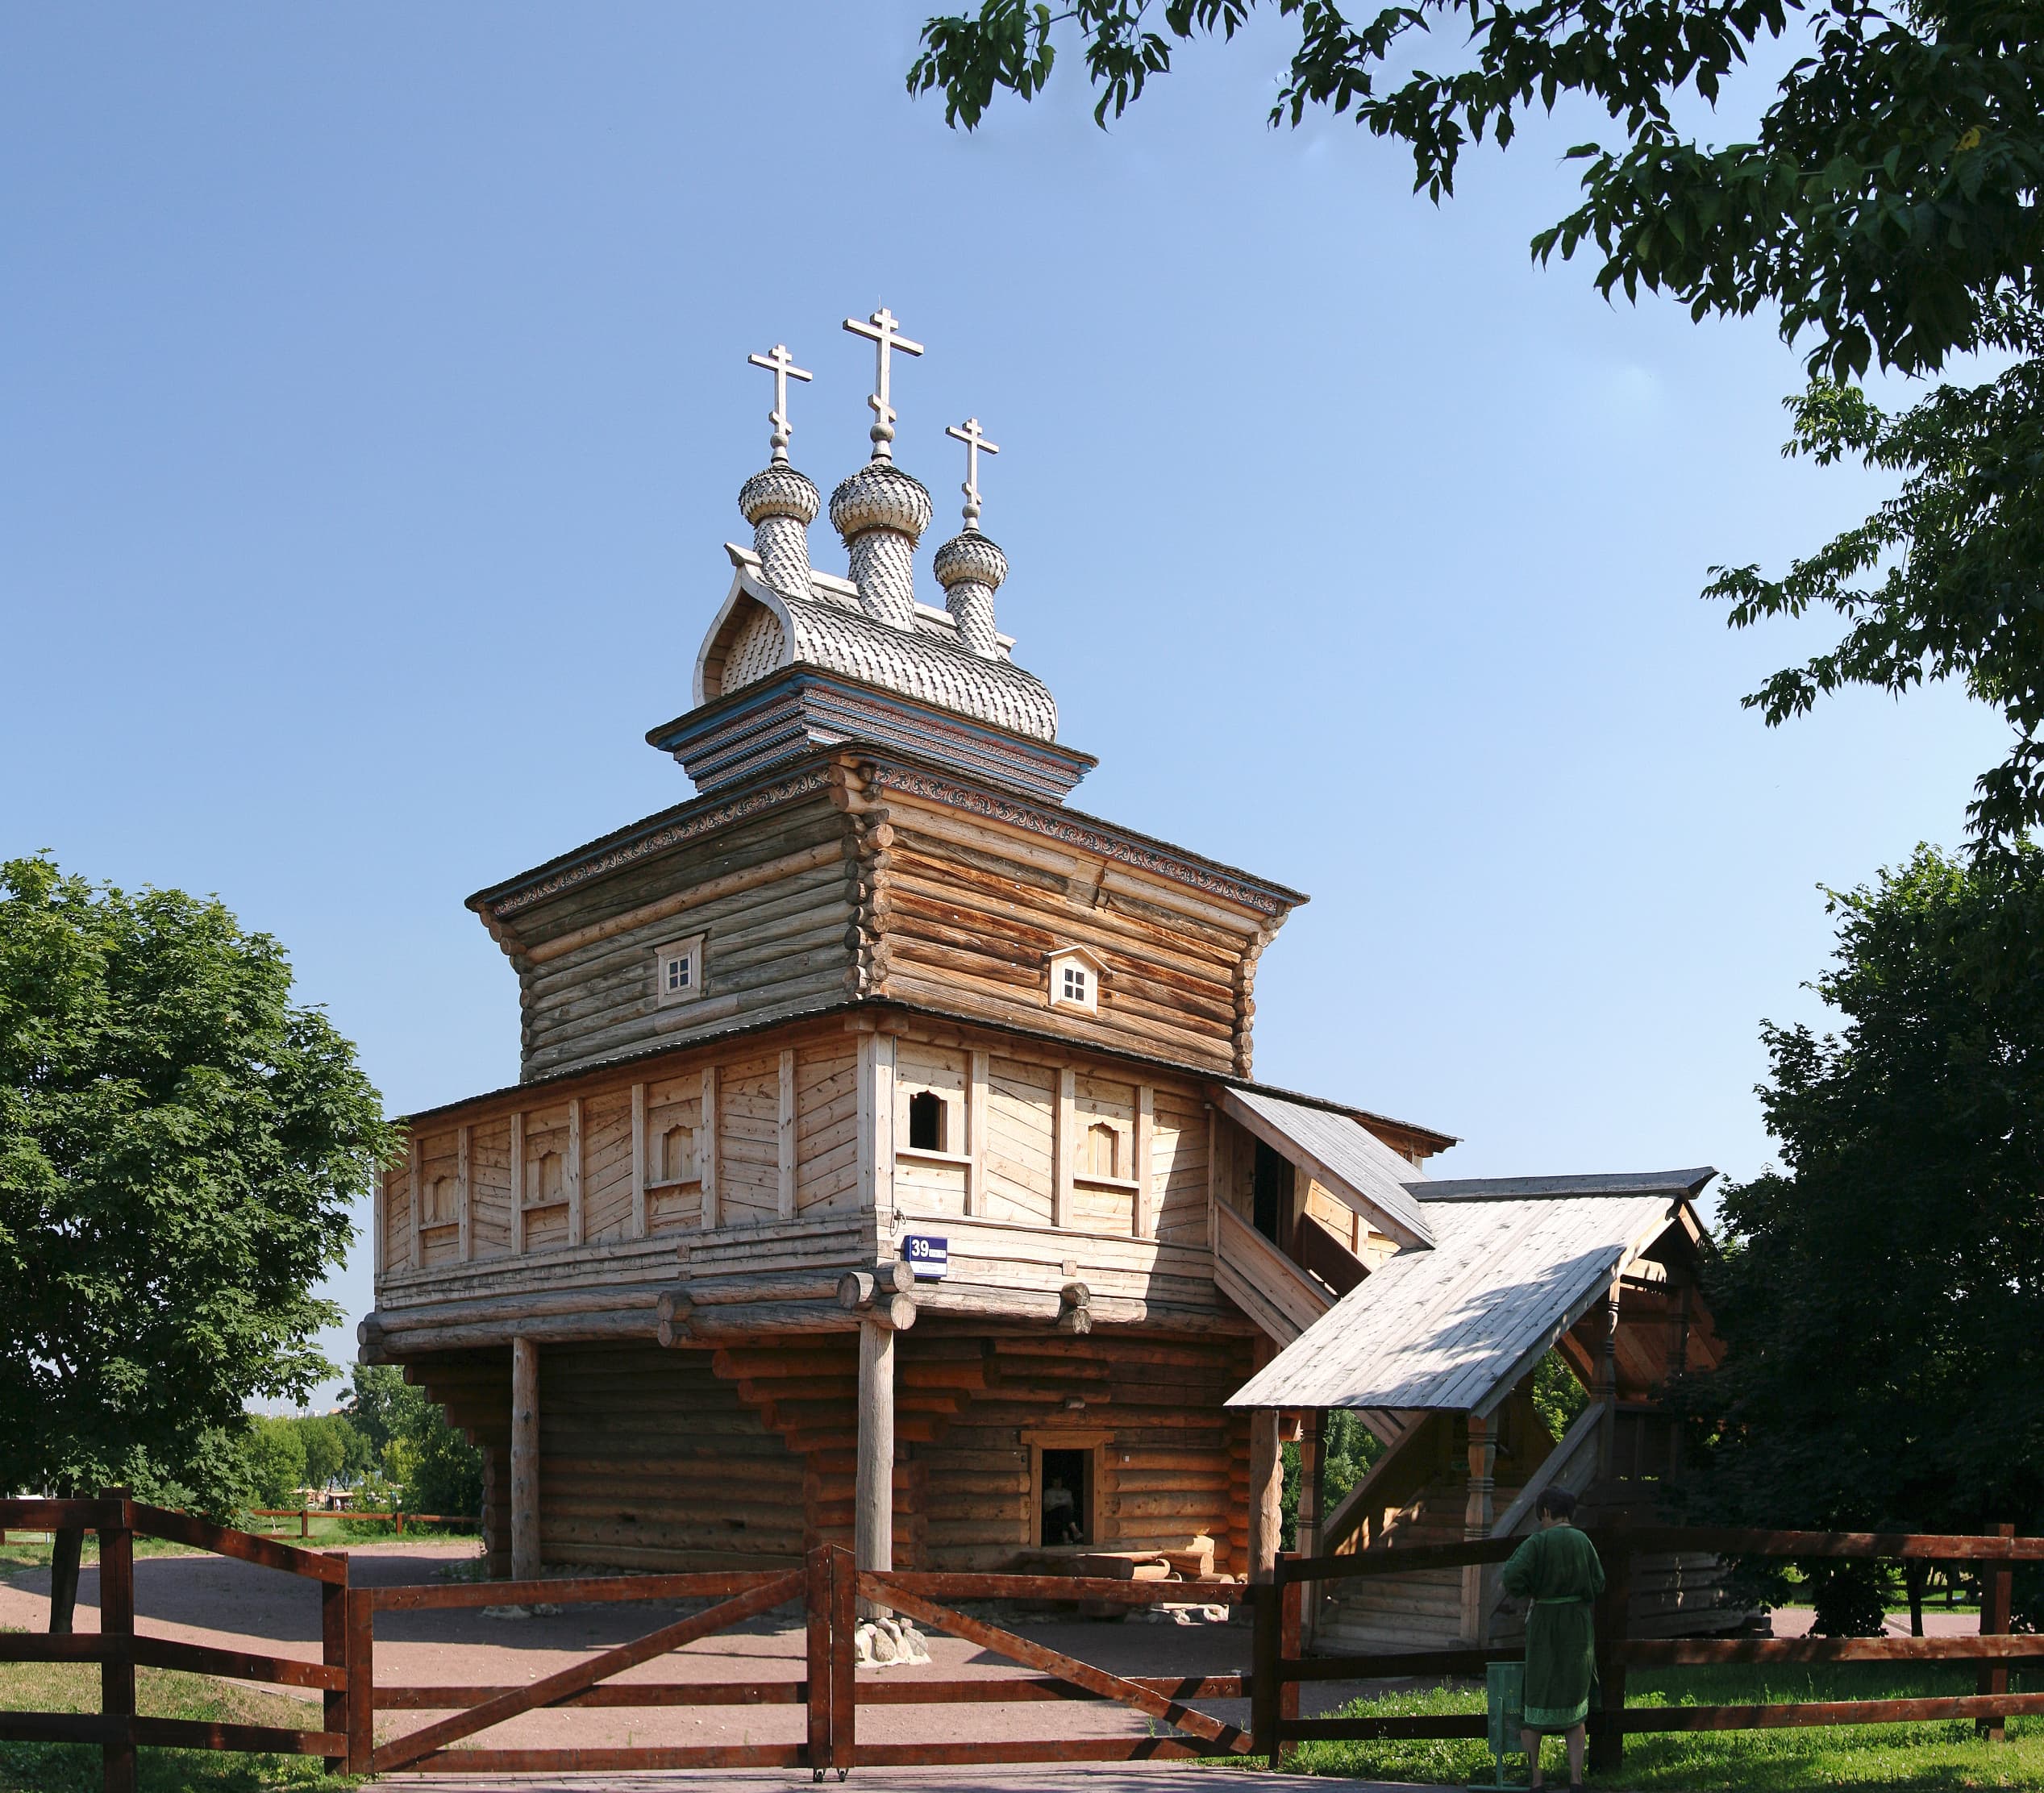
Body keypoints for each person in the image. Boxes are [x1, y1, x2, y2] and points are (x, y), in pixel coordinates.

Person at [1499, 1486, 1605, 1792]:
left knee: (1536, 1698)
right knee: (1575, 1704)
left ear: (1546, 1512)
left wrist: (1532, 1590)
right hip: (1577, 1625)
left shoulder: (1538, 1542)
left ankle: (1536, 1778)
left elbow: (1511, 1576)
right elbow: (1598, 1581)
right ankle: (1575, 1780)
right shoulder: (1583, 1541)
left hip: (1545, 1624)